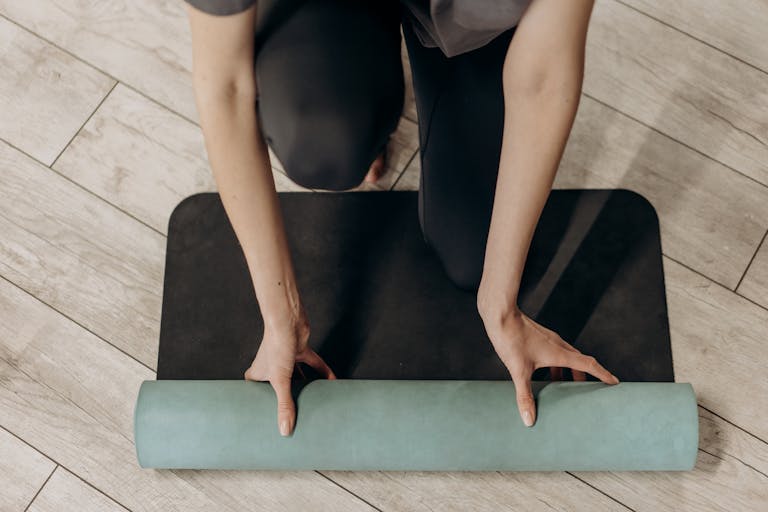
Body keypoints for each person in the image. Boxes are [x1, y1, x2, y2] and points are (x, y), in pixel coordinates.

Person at [183, 0, 619, 437]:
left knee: (476, 254)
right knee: (323, 144)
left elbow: (544, 79)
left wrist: (500, 308)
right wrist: (283, 320)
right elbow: (225, 87)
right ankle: (363, 95)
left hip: (464, 18)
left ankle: (409, 64)